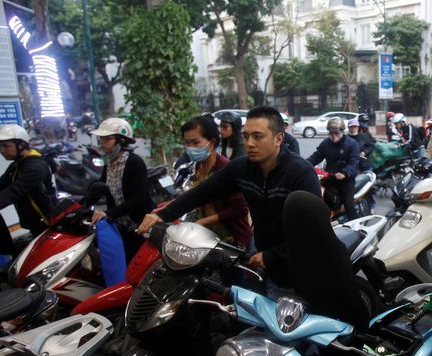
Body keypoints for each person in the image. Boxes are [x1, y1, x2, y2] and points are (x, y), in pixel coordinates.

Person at [137, 106, 320, 293]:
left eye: (257, 136)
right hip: (264, 262)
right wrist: (162, 215)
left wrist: (272, 255)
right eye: (246, 136)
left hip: (299, 269)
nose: (249, 143)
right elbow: (202, 192)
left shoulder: (301, 174)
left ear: (278, 139)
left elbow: (313, 232)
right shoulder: (242, 168)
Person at [0, 124, 53, 255]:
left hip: (48, 226)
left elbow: (13, 191)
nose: (2, 151)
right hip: (34, 227)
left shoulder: (35, 166)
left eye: (6, 146)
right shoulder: (17, 166)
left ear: (21, 145)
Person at [85, 117, 153, 260]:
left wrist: (108, 213)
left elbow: (138, 198)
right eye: (101, 139)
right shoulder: (110, 162)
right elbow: (102, 185)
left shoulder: (135, 162)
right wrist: (83, 205)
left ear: (121, 141)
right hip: (120, 224)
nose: (102, 144)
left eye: (107, 139)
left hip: (139, 225)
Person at [180, 115, 252, 248]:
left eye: (195, 142)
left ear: (211, 143)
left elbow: (240, 209)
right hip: (205, 238)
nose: (190, 148)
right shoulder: (197, 165)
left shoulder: (225, 169)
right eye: (187, 143)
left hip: (231, 240)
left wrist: (203, 222)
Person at [306, 117, 360, 221]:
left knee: (349, 206)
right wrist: (303, 165)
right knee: (317, 196)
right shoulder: (325, 144)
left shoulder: (352, 144)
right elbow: (315, 157)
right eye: (331, 134)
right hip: (329, 177)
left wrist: (345, 173)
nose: (333, 137)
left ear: (342, 132)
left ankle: (357, 228)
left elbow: (354, 163)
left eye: (336, 133)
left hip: (345, 180)